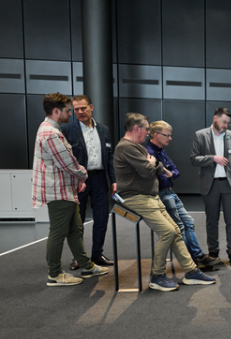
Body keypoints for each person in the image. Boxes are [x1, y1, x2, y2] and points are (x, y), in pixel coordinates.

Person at [114, 113, 216, 292]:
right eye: (146, 129)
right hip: (137, 198)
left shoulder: (136, 147)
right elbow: (149, 171)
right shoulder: (126, 147)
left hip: (150, 196)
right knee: (168, 231)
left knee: (175, 230)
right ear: (136, 128)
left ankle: (192, 271)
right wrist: (153, 164)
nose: (148, 133)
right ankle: (157, 276)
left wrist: (153, 164)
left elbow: (155, 167)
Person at [32, 93, 109, 286]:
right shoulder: (51, 133)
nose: (71, 114)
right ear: (56, 111)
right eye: (69, 110)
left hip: (67, 188)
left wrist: (77, 178)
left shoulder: (51, 130)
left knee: (75, 229)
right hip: (59, 190)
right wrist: (82, 175)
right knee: (58, 233)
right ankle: (55, 275)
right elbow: (67, 162)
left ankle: (87, 265)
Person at [145, 121, 219, 269]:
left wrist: (170, 173)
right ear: (156, 135)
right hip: (162, 195)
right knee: (179, 227)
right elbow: (158, 176)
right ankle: (191, 260)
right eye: (167, 135)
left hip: (169, 192)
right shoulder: (148, 152)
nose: (170, 138)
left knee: (188, 222)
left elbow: (175, 171)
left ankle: (197, 256)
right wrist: (167, 173)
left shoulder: (161, 151)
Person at [190, 107, 231, 266]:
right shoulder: (200, 135)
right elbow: (194, 159)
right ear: (215, 118)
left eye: (227, 123)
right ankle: (213, 252)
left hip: (229, 184)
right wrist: (213, 158)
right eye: (223, 122)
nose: (225, 126)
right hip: (210, 185)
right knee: (211, 221)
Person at [61, 95, 116, 270]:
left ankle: (97, 254)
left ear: (91, 107)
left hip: (100, 178)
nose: (80, 112)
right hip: (78, 180)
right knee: (78, 220)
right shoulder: (67, 129)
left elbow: (109, 156)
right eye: (76, 109)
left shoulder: (103, 129)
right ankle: (78, 257)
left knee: (101, 218)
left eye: (83, 108)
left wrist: (114, 180)